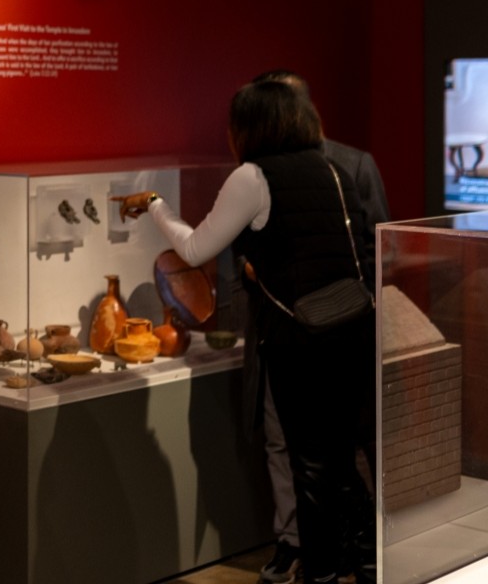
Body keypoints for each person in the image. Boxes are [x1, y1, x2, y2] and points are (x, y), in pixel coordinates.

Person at [115, 79, 376, 584]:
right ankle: (367, 563)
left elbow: (193, 251)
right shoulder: (335, 169)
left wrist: (154, 204)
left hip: (301, 340)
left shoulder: (254, 177)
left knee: (311, 470)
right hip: (352, 330)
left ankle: (320, 574)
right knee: (342, 463)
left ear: (250, 127)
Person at [241, 70, 389, 584]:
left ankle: (362, 550)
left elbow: (376, 250)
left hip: (339, 331)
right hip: (285, 334)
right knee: (288, 446)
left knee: (344, 450)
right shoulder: (257, 170)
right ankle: (297, 546)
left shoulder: (351, 164)